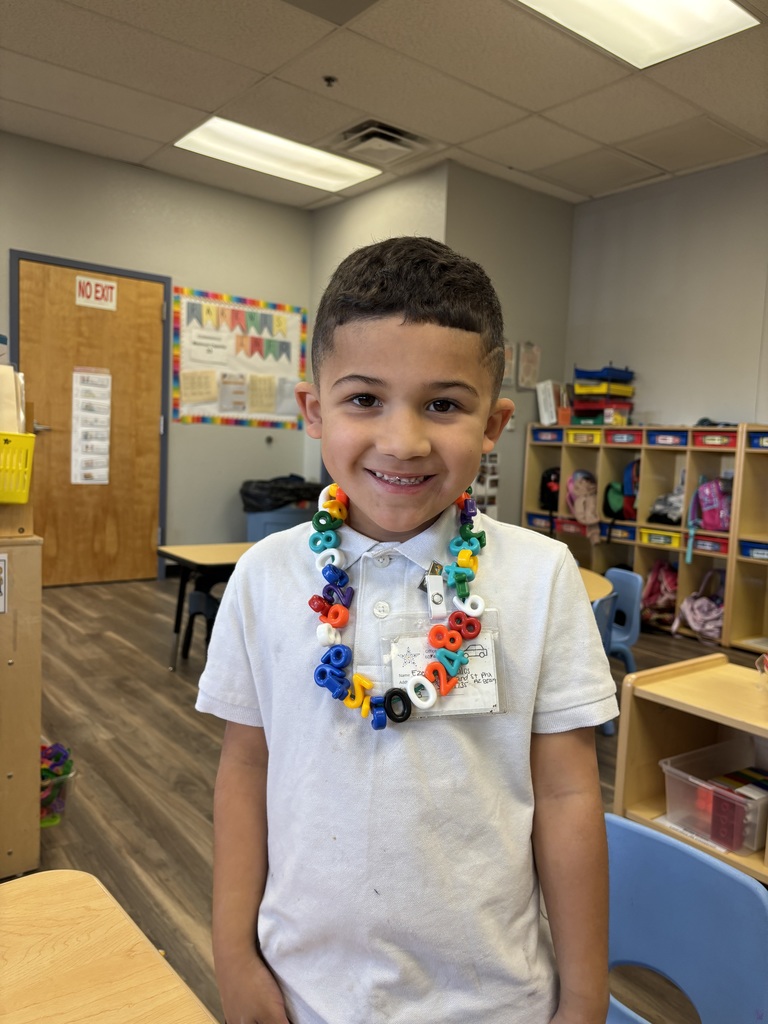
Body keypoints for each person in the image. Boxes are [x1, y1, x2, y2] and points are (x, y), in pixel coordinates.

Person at [196, 236, 618, 1024]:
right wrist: (233, 957)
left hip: (498, 1001)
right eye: (364, 400)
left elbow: (566, 794)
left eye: (444, 404)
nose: (403, 441)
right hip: (302, 992)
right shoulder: (262, 577)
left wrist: (586, 1000)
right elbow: (244, 770)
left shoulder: (540, 576)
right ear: (313, 410)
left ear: (493, 423)